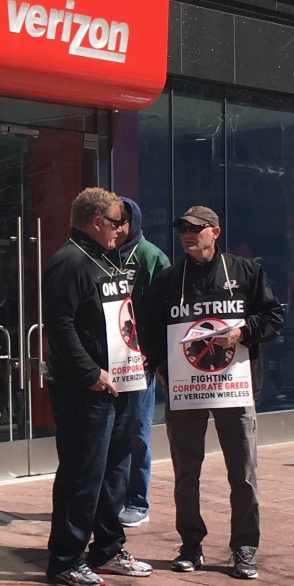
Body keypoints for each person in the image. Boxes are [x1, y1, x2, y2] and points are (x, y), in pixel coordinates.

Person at [140, 206, 283, 580]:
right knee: (186, 473)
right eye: (182, 229)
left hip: (234, 389)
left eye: (195, 228)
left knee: (243, 473)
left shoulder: (245, 272)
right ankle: (190, 544)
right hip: (186, 391)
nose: (187, 234)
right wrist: (161, 368)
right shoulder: (169, 280)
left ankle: (245, 547)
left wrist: (242, 332)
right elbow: (149, 330)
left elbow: (273, 317)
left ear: (215, 232)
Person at [42, 188, 150, 586]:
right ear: (97, 221)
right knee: (82, 474)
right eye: (117, 222)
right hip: (84, 389)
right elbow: (60, 326)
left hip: (118, 385)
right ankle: (66, 559)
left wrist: (133, 358)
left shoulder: (103, 259)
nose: (122, 230)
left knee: (113, 473)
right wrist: (91, 373)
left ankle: (107, 548)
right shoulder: (70, 262)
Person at [113, 197, 171, 529]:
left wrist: (153, 352)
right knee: (111, 432)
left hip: (140, 361)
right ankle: (111, 498)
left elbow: (166, 313)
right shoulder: (103, 255)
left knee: (137, 430)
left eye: (119, 222)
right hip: (109, 360)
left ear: (131, 222)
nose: (115, 228)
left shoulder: (151, 257)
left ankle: (137, 501)